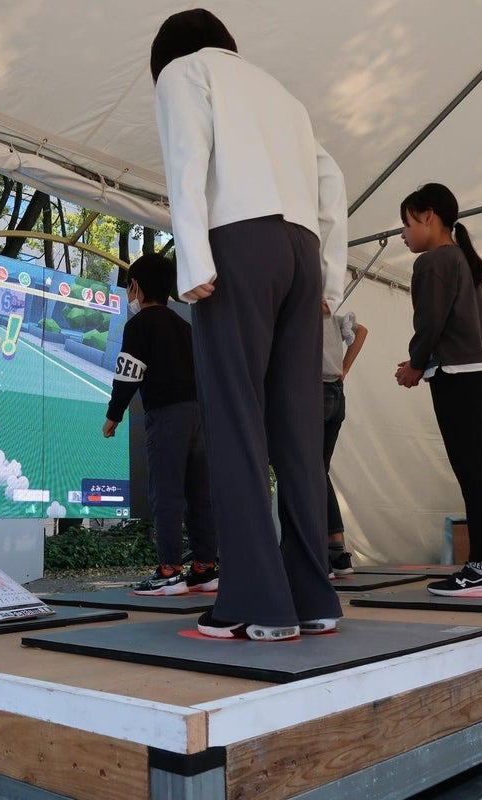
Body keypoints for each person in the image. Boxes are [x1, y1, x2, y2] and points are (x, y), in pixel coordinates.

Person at [151, 8, 346, 639]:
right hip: (302, 249)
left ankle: (255, 601)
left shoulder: (184, 71)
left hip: (238, 242)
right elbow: (332, 178)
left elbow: (187, 155)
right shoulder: (284, 95)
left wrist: (192, 257)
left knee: (234, 420)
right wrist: (331, 278)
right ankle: (313, 595)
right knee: (297, 429)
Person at [394, 183, 482, 597]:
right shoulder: (464, 260)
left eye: (406, 224)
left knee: (474, 472)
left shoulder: (433, 261)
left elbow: (430, 322)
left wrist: (416, 364)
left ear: (428, 215)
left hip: (459, 376)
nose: (403, 235)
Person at [102, 254, 217, 595]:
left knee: (166, 492)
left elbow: (129, 373)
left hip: (167, 416)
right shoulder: (185, 326)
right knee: (199, 493)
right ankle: (205, 568)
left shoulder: (139, 325)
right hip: (202, 416)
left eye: (129, 288)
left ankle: (169, 571)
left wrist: (114, 414)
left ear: (136, 286)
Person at [279, 304, 367, 576]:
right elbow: (361, 331)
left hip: (310, 391)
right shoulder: (330, 317)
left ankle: (313, 554)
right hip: (334, 393)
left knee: (298, 471)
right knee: (318, 471)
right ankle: (335, 551)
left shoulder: (298, 311)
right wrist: (343, 368)